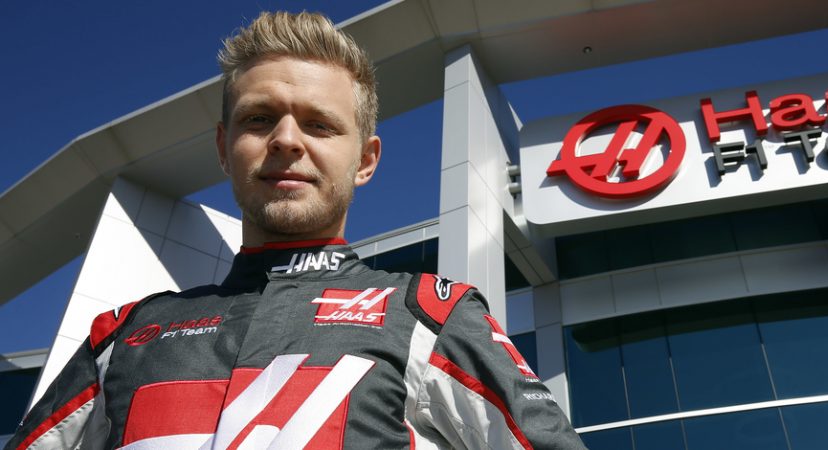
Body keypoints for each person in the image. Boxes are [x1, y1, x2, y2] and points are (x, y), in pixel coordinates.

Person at [4, 11, 585, 450]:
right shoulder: (124, 335)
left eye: (319, 124)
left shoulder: (430, 315)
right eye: (259, 119)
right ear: (223, 149)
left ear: (366, 159)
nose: (286, 139)